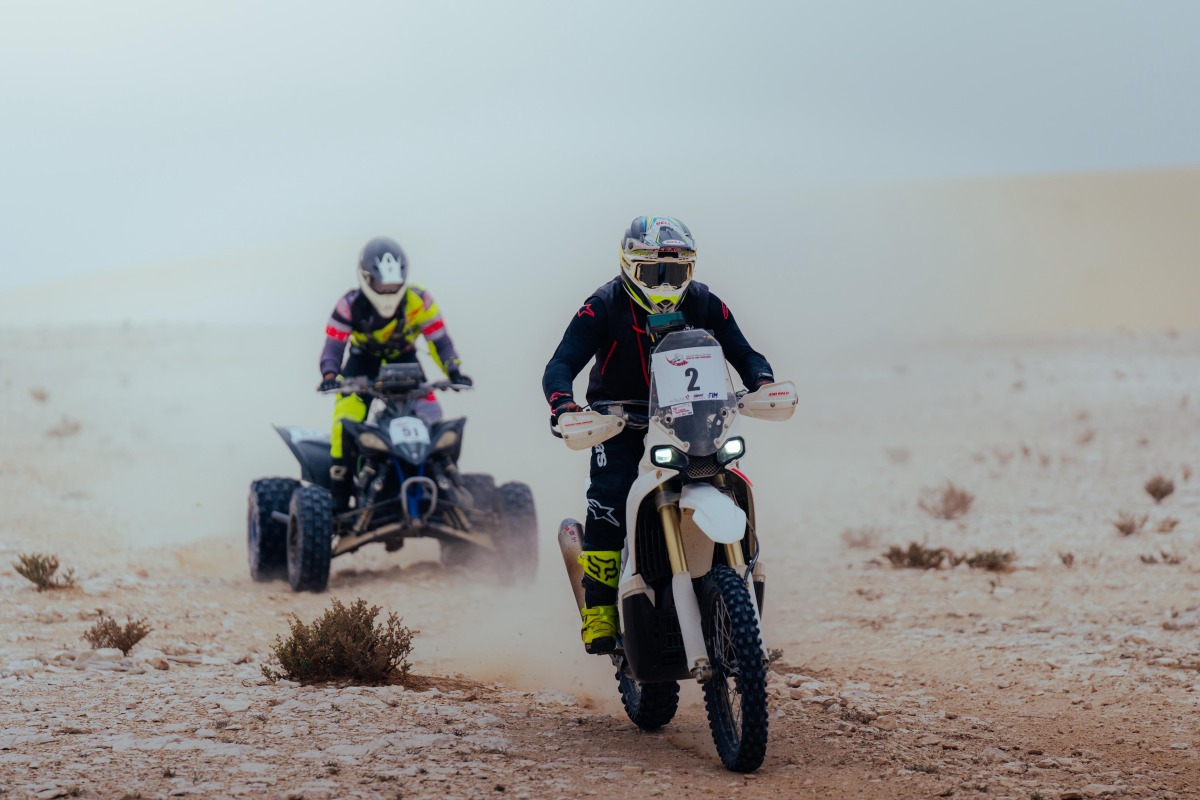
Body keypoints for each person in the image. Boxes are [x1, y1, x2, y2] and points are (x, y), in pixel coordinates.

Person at [542, 216, 775, 654]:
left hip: (693, 419)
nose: (666, 283)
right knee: (609, 499)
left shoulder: (704, 301)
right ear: (630, 266)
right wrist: (563, 404)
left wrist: (761, 380)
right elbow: (561, 363)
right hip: (620, 420)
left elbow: (744, 352)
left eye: (676, 271)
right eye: (654, 272)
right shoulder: (603, 305)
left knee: (731, 481)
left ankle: (734, 597)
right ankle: (599, 609)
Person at [320, 236, 471, 511]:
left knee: (433, 419)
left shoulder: (419, 300)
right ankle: (339, 496)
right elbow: (334, 345)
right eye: (382, 285)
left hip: (406, 362)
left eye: (393, 285)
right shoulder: (348, 304)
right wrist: (330, 375)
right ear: (366, 277)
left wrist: (453, 369)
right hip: (361, 365)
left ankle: (447, 485)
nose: (388, 291)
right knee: (344, 422)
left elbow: (439, 340)